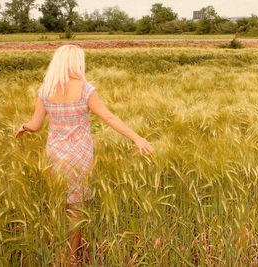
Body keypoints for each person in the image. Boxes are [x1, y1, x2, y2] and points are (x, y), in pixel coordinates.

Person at [14, 44, 154, 266]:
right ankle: (71, 257)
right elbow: (109, 117)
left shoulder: (46, 90)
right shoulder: (86, 89)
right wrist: (137, 138)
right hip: (80, 154)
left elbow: (35, 124)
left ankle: (57, 252)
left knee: (58, 202)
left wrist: (23, 127)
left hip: (55, 153)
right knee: (75, 209)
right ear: (77, 62)